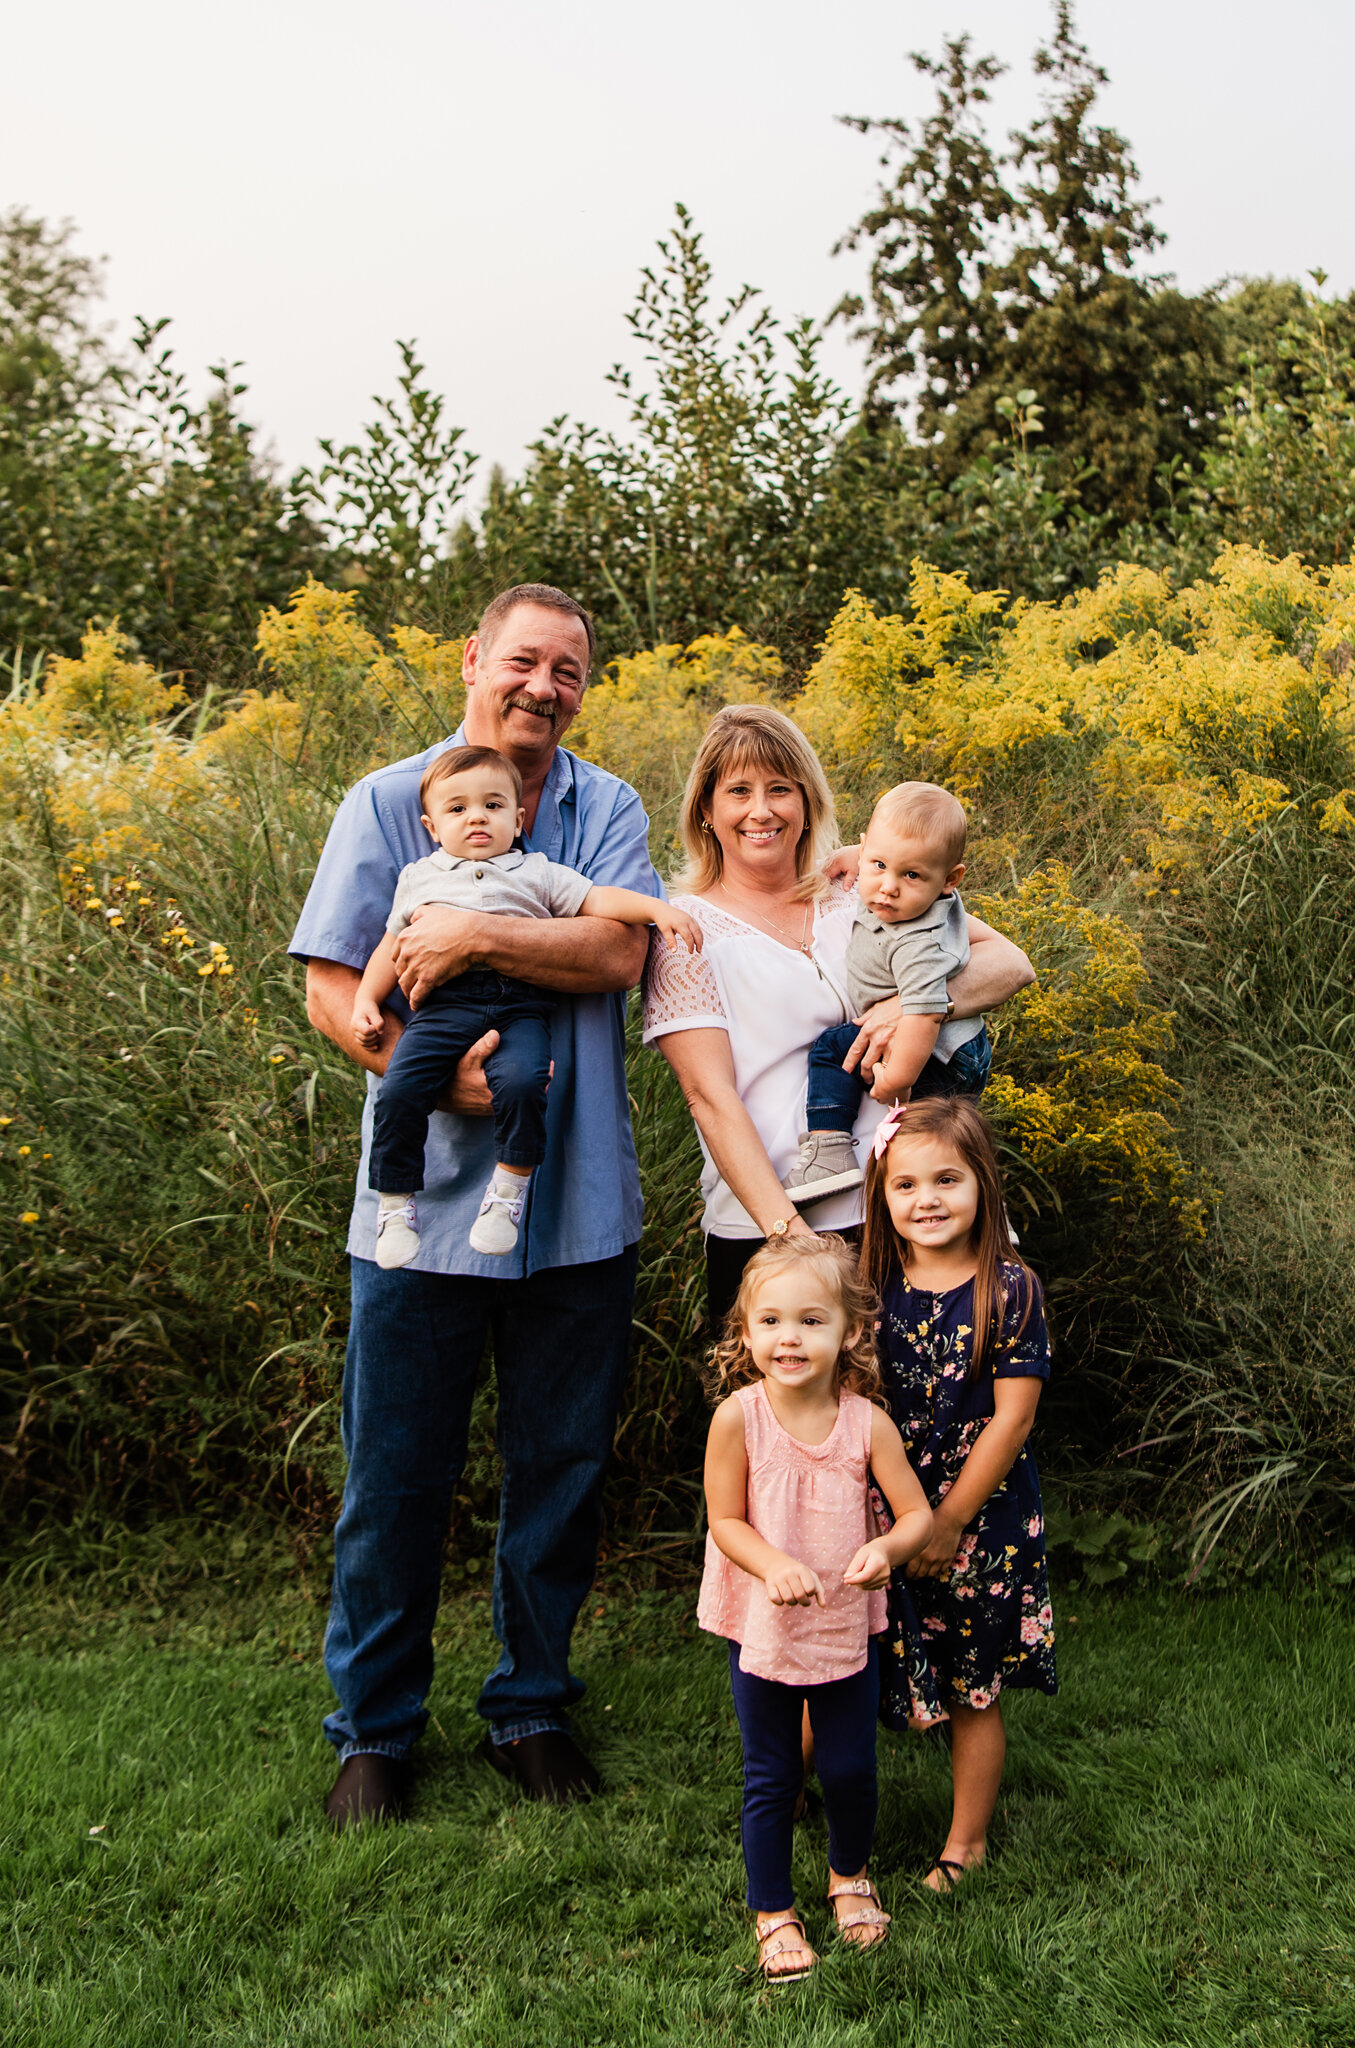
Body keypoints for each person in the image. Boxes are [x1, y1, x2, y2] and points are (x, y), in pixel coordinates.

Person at [291, 584, 659, 1824]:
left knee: (555, 1468)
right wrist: (425, 1071)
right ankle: (374, 1732)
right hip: (415, 1205)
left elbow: (617, 953)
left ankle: (530, 1706)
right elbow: (334, 979)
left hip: (577, 1198)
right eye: (522, 661)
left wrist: (463, 935)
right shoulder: (385, 799)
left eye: (567, 669)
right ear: (472, 660)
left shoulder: (606, 807)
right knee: (394, 1474)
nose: (542, 686)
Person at [641, 705, 1035, 1333]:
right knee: (802, 1426)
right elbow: (707, 1096)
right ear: (706, 812)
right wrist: (790, 1240)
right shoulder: (683, 930)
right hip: (773, 1227)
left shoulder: (861, 888)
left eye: (780, 789)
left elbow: (1010, 963)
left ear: (807, 800)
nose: (761, 810)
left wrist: (908, 1004)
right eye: (738, 791)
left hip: (910, 1209)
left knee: (934, 1415)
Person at [353, 743, 699, 1267]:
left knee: (524, 1081)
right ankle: (396, 1203)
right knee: (399, 1088)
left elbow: (598, 901)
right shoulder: (420, 878)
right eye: (457, 809)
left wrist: (655, 908)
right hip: (443, 1009)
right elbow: (390, 945)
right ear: (431, 826)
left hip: (520, 1007)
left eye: (492, 806)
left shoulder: (536, 872)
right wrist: (367, 999)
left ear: (517, 820)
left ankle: (508, 1193)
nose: (476, 818)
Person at [698, 1235, 933, 1981]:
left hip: (841, 1622)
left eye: (809, 1321)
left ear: (850, 1333)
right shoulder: (739, 1418)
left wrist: (887, 1551)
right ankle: (772, 1909)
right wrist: (772, 1565)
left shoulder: (866, 1423)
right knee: (771, 1773)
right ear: (744, 1333)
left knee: (850, 1766)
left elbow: (914, 1515)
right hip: (764, 1624)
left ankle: (848, 1878)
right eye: (768, 1322)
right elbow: (725, 1521)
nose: (788, 1339)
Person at [860, 1095, 1057, 1892]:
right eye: (905, 1185)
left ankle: (964, 1843)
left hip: (978, 1516)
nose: (927, 1200)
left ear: (982, 1184)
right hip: (880, 1510)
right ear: (880, 1194)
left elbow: (1010, 1423)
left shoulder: (1008, 1289)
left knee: (972, 1680)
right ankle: (811, 1799)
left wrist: (945, 1521)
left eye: (947, 1179)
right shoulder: (868, 1288)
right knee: (855, 1663)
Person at [785, 780, 991, 1207]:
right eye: (878, 865)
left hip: (941, 1051)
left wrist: (899, 1079)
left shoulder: (916, 940)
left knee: (834, 1052)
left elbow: (925, 1014)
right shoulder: (891, 889)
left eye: (911, 875)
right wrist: (855, 859)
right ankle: (981, 1201)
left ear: (949, 880)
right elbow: (887, 862)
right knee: (944, 1138)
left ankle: (829, 1152)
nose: (888, 887)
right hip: (961, 1044)